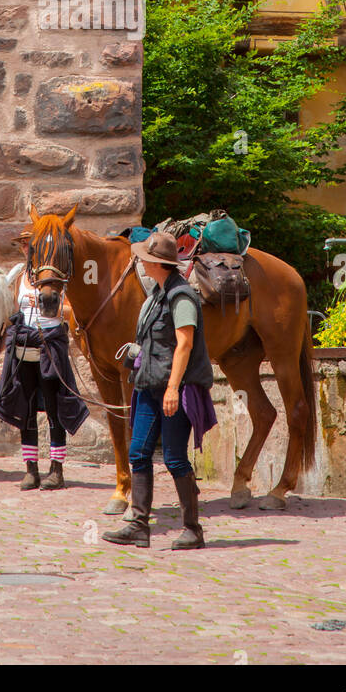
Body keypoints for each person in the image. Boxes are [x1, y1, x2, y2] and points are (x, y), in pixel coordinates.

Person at [103, 230, 216, 551]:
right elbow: (159, 342)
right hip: (149, 386)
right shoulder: (156, 295)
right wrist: (138, 352)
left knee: (175, 459)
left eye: (145, 258)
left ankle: (193, 529)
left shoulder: (182, 297)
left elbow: (184, 345)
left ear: (159, 264)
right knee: (138, 453)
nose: (140, 261)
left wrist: (171, 388)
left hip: (175, 391)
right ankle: (139, 525)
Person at [0, 228, 88, 490]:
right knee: (26, 410)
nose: (26, 249)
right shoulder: (19, 276)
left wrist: (50, 305)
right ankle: (31, 469)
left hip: (50, 348)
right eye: (23, 246)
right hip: (24, 350)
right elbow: (11, 309)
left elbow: (71, 310)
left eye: (30, 245)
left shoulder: (56, 278)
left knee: (55, 409)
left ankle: (56, 470)